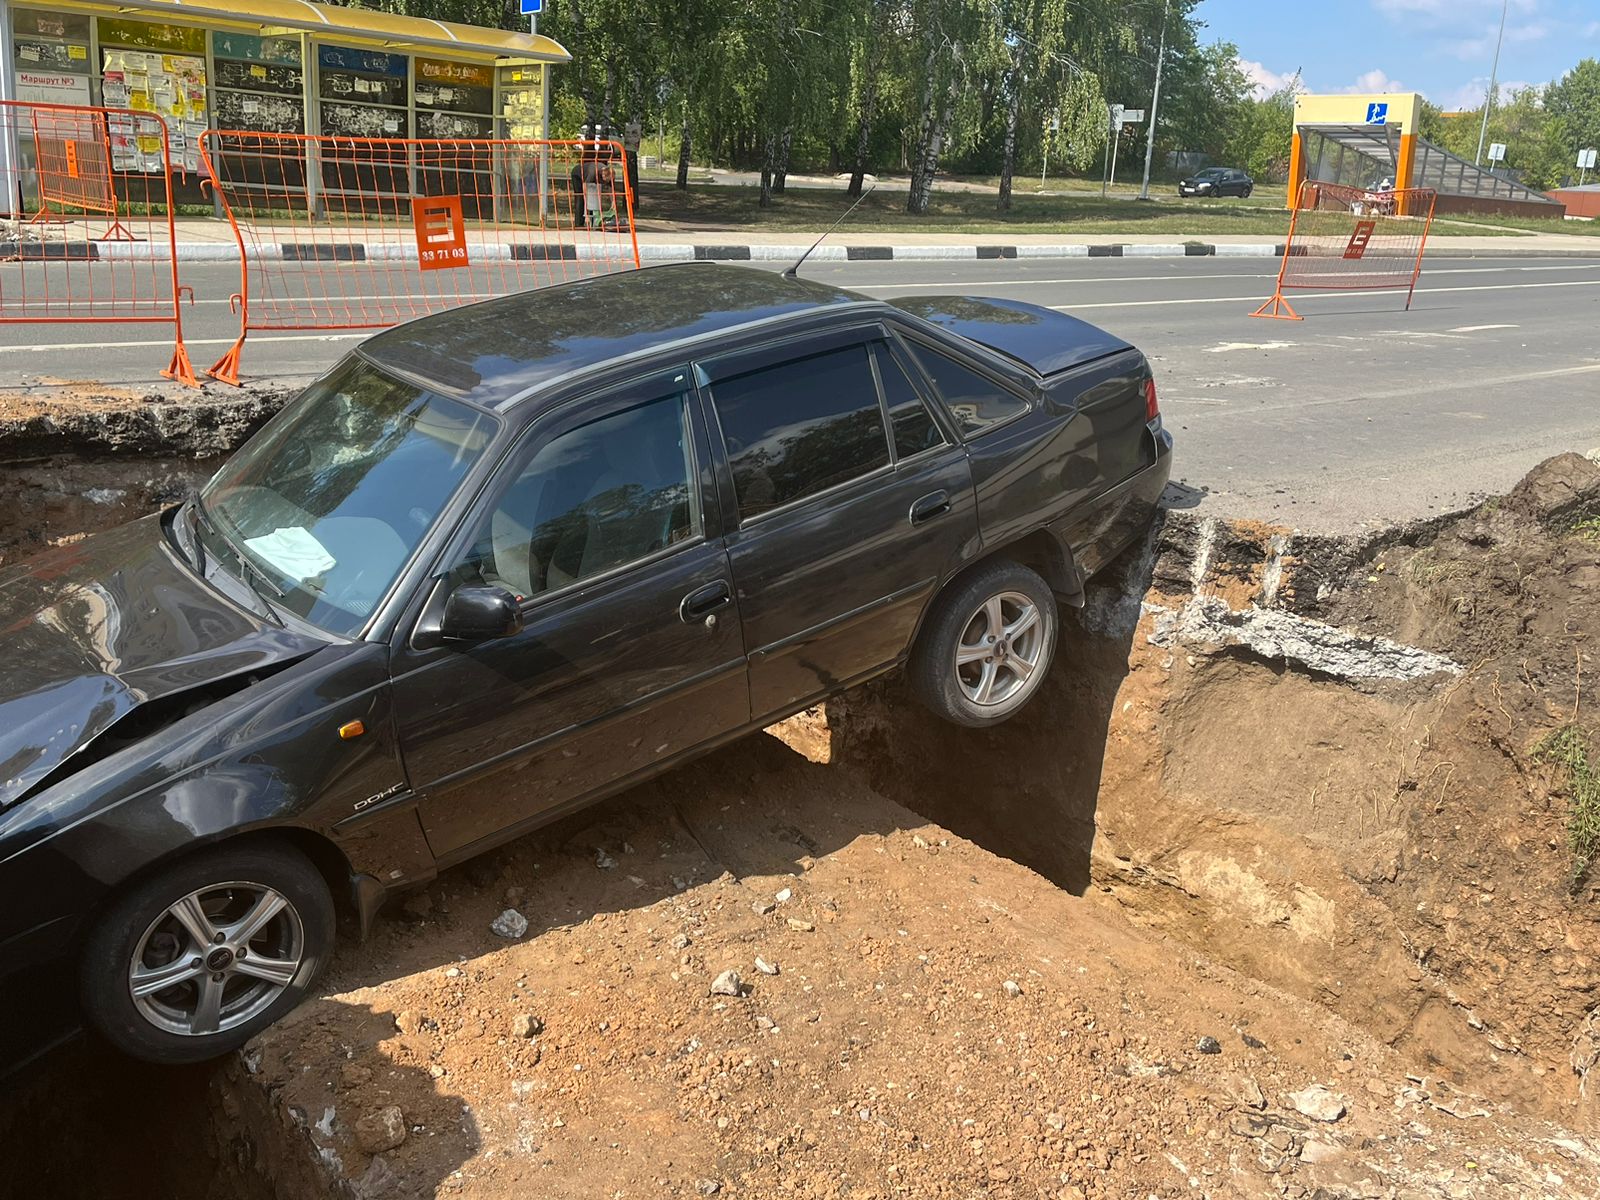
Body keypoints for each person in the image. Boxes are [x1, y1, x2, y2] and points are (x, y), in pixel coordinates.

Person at [622, 116, 642, 211]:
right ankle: (629, 204)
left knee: (631, 180)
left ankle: (632, 204)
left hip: (631, 153)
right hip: (629, 153)